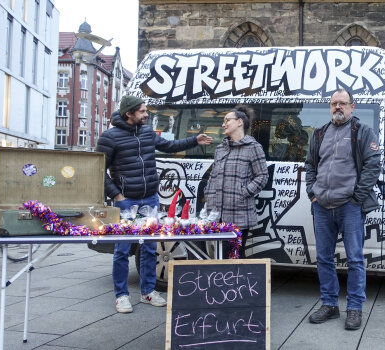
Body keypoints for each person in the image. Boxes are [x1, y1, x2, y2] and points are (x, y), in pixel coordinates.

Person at [96, 95, 212, 313]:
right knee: (122, 250)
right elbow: (97, 170)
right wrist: (117, 196)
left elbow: (169, 145)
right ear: (129, 113)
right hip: (125, 201)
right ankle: (121, 296)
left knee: (150, 247)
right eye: (141, 111)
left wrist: (194, 140)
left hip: (150, 198)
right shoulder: (109, 138)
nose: (146, 114)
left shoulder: (147, 132)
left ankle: (148, 292)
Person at [305, 88, 381, 330]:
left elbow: (372, 165)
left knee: (355, 259)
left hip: (349, 206)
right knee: (324, 258)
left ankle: (355, 308)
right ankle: (329, 305)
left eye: (342, 103)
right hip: (322, 206)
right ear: (330, 107)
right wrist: (312, 193)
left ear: (352, 106)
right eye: (334, 103)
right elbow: (310, 166)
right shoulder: (319, 134)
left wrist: (356, 199)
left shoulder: (362, 132)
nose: (338, 107)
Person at [204, 105, 268, 258]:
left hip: (238, 214)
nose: (223, 124)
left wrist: (242, 193)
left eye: (227, 120)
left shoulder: (253, 147)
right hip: (216, 214)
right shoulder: (220, 148)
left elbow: (262, 176)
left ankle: (234, 282)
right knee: (219, 256)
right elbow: (214, 176)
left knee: (233, 256)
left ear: (240, 122)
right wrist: (208, 192)